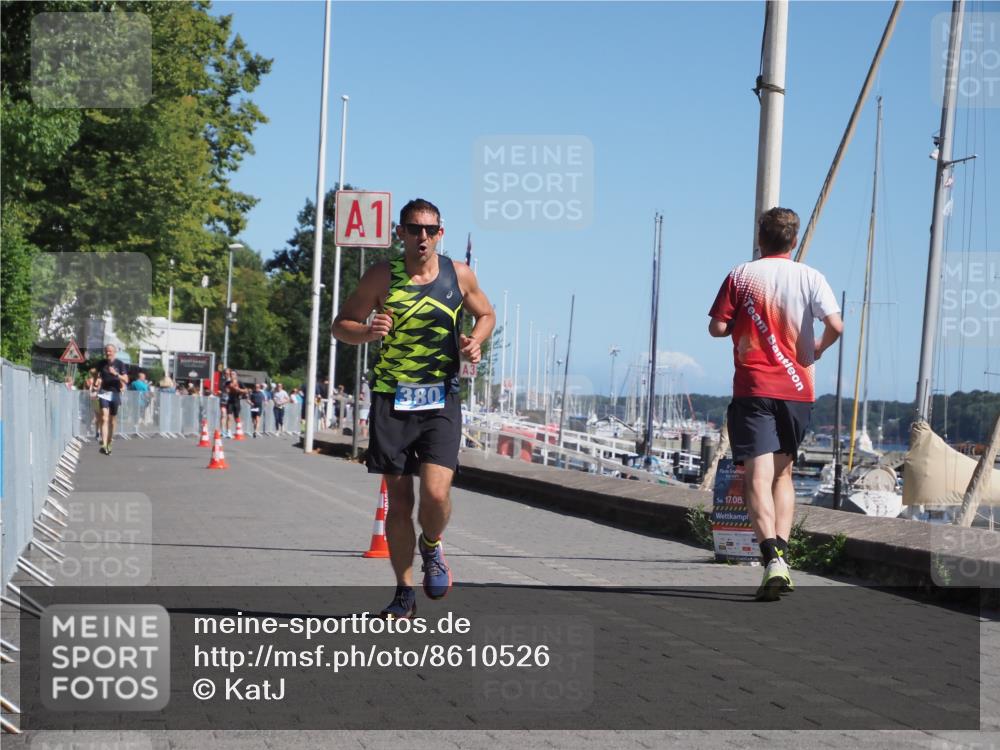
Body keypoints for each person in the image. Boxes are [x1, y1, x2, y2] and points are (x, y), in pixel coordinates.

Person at [333, 198, 495, 619]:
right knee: (400, 500)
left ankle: (433, 544)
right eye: (413, 228)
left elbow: (487, 314)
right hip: (392, 398)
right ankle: (404, 592)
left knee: (437, 492)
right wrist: (368, 331)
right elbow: (341, 325)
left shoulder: (458, 275)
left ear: (440, 233)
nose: (422, 236)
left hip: (441, 397)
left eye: (430, 229)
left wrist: (476, 340)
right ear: (400, 233)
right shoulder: (382, 276)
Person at [708, 207, 842, 601]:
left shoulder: (741, 275)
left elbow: (716, 327)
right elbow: (836, 325)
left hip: (753, 388)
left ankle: (771, 559)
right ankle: (782, 555)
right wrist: (815, 349)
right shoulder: (811, 277)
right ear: (794, 241)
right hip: (797, 389)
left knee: (756, 477)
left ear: (760, 238)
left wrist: (741, 323)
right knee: (783, 477)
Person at [95, 344, 129, 455]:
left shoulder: (120, 364)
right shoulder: (101, 364)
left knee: (112, 420)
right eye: (106, 351)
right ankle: (104, 444)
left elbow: (126, 379)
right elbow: (97, 375)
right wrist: (97, 381)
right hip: (104, 392)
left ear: (114, 352)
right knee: (104, 418)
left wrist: (116, 374)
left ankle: (109, 441)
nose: (108, 353)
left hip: (115, 393)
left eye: (110, 351)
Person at [225, 373, 248, 438]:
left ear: (236, 376)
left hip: (237, 401)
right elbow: (227, 390)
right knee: (229, 416)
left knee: (236, 417)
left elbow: (246, 390)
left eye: (233, 374)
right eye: (231, 374)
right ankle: (228, 432)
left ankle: (239, 429)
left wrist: (239, 389)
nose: (232, 375)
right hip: (230, 401)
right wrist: (228, 389)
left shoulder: (239, 382)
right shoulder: (228, 383)